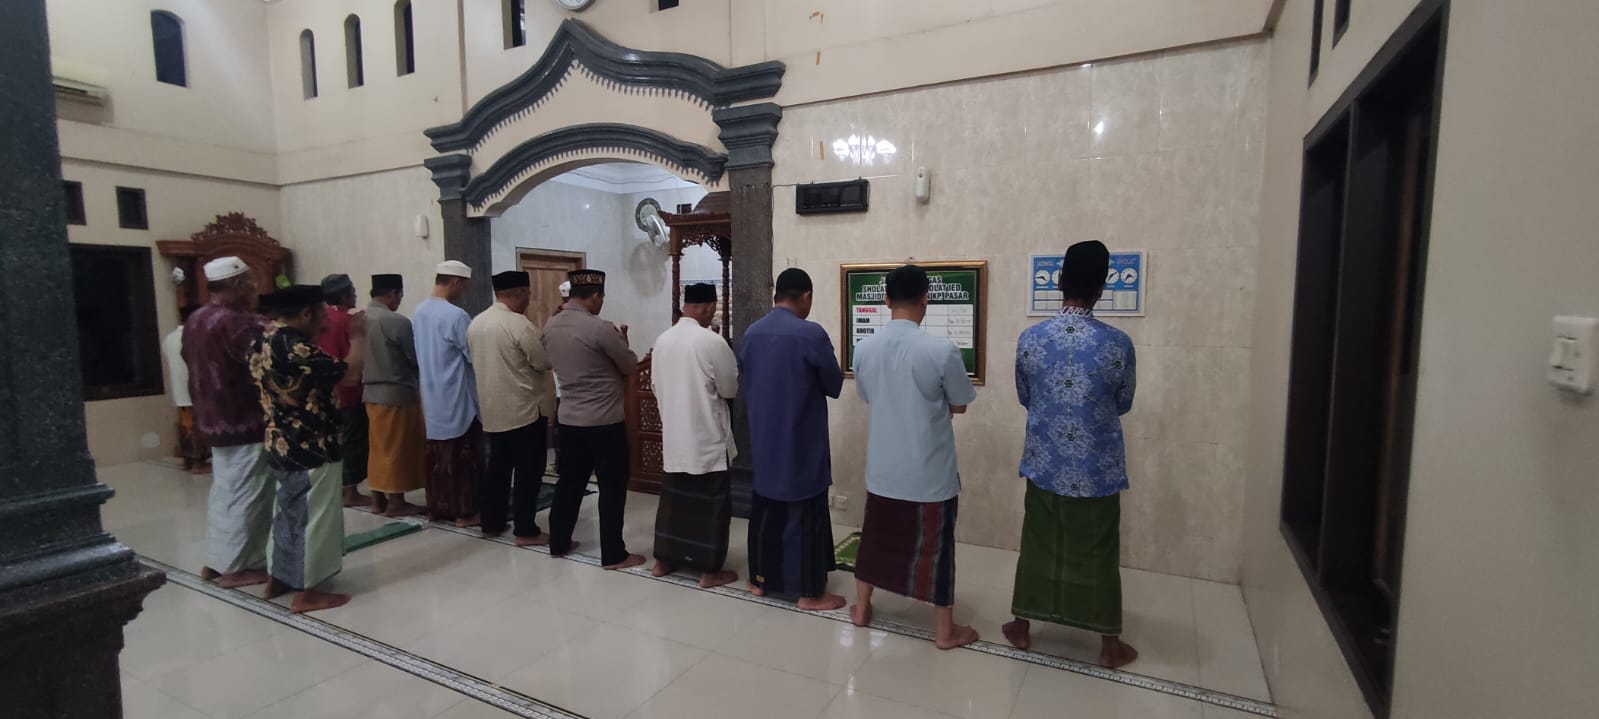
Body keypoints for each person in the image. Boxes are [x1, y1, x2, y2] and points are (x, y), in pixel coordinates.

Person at [1004, 240, 1139, 668]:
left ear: (1059, 282)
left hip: (1045, 462)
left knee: (1038, 543)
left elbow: (1025, 396)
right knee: (1098, 552)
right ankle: (1108, 645)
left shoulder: (1031, 339)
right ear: (1102, 288)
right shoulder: (1118, 344)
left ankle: (1021, 627)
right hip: (1097, 468)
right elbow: (1123, 402)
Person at [849, 264, 980, 649]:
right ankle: (945, 632)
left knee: (874, 541)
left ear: (886, 299)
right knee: (936, 551)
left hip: (883, 469)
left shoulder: (865, 348)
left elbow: (868, 396)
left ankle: (861, 609)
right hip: (929, 474)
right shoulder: (941, 350)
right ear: (926, 298)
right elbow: (960, 404)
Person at [252, 286, 366, 613]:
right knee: (314, 518)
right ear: (305, 314)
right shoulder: (295, 346)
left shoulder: (262, 339)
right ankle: (308, 591)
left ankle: (279, 578)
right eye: (321, 316)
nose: (326, 324)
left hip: (279, 442)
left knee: (287, 513)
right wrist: (358, 337)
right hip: (311, 445)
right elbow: (350, 375)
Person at [739, 268, 847, 611]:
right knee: (805, 516)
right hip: (801, 443)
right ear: (806, 297)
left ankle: (759, 582)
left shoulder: (751, 333)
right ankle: (809, 593)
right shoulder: (810, 334)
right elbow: (834, 385)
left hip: (764, 442)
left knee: (765, 513)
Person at [543, 269, 643, 570]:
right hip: (604, 422)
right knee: (612, 486)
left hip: (569, 420)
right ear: (596, 296)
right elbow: (630, 365)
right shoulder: (599, 328)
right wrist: (622, 341)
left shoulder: (550, 325)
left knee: (569, 483)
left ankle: (558, 542)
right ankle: (613, 554)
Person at [183, 257, 274, 588]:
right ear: (238, 284)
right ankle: (237, 568)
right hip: (243, 421)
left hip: (212, 419)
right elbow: (268, 367)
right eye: (250, 282)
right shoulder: (239, 323)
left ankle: (217, 561)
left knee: (225, 492)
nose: (255, 288)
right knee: (248, 494)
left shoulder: (196, 319)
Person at [649, 284, 740, 588]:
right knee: (711, 507)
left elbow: (655, 386)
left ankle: (662, 561)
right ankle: (709, 571)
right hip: (706, 439)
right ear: (708, 307)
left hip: (675, 437)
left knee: (674, 504)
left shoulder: (663, 339)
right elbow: (730, 388)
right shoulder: (711, 341)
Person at [467, 270, 555, 545]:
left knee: (498, 469)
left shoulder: (476, 323)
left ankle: (491, 523)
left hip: (492, 409)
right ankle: (525, 530)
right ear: (520, 293)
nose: (529, 299)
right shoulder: (518, 324)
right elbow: (542, 361)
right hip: (524, 410)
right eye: (527, 294)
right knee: (529, 472)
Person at [414, 260, 483, 528]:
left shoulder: (419, 311)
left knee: (437, 458)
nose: (463, 292)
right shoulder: (456, 315)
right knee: (463, 458)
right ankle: (465, 513)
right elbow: (473, 354)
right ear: (455, 282)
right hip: (456, 396)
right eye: (463, 287)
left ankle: (438, 508)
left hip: (431, 396)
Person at [363, 273, 427, 517]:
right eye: (400, 296)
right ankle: (396, 502)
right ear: (392, 293)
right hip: (396, 393)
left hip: (370, 393)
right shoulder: (395, 321)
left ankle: (377, 500)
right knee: (396, 449)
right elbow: (414, 357)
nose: (400, 301)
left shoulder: (360, 318)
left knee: (378, 448)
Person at [317, 274, 369, 508]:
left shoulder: (321, 319)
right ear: (343, 295)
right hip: (347, 391)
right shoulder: (347, 322)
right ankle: (351, 492)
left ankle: (338, 488)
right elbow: (354, 360)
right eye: (352, 290)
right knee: (352, 442)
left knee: (336, 442)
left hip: (325, 392)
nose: (355, 294)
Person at [163, 305, 209, 473]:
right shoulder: (194, 336)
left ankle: (187, 461)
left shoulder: (169, 338)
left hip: (179, 391)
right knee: (197, 426)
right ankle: (198, 463)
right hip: (196, 389)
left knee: (186, 425)